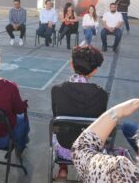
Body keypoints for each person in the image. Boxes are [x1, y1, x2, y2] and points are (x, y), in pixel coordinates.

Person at [51, 45, 107, 180]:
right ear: (94, 71)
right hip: (89, 151)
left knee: (59, 127)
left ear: (71, 65)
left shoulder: (57, 90)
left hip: (63, 146)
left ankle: (63, 168)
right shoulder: (102, 94)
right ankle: (86, 173)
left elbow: (56, 118)